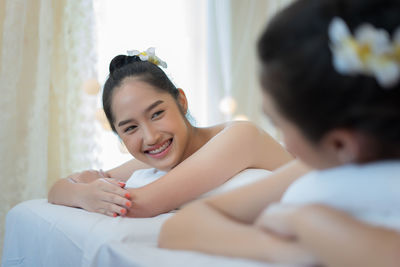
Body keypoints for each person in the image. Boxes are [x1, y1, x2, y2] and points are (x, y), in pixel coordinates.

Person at [158, 0, 400, 265]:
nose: (283, 141)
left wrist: (307, 222)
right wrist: (280, 249)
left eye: (279, 123)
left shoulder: (321, 179)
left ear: (341, 145)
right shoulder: (319, 168)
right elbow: (178, 227)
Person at [48, 48, 293, 218]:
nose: (151, 137)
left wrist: (90, 195)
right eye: (130, 128)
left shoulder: (240, 136)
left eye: (157, 114)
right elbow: (57, 189)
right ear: (118, 134)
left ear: (181, 101)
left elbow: (140, 204)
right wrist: (81, 194)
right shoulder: (155, 158)